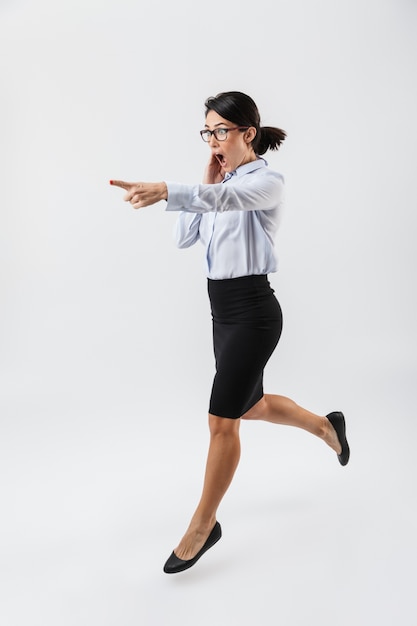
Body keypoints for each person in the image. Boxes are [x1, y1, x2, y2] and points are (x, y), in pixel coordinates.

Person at [110, 91, 350, 575]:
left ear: (248, 134)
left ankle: (204, 526)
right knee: (251, 404)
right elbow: (185, 237)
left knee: (222, 422)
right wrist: (201, 180)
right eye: (208, 132)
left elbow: (229, 198)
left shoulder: (267, 182)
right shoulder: (217, 184)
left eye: (221, 131)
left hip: (256, 313)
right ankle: (327, 427)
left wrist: (171, 188)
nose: (214, 140)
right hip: (221, 313)